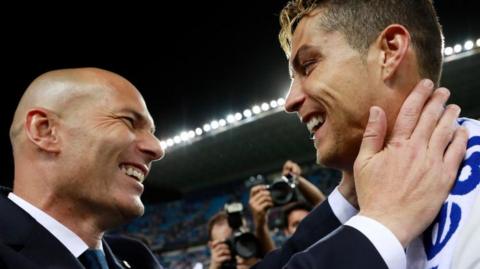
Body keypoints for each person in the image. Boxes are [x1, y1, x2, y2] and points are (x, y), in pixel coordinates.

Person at [255, 0, 477, 268]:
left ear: (390, 51)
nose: (289, 101)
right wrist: (374, 217)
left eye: (309, 65)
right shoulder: (370, 208)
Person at [0, 68, 164, 268]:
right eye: (128, 121)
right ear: (44, 131)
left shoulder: (139, 260)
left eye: (152, 132)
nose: (157, 149)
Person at [249, 160, 321, 254]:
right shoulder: (287, 262)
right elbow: (271, 258)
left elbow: (322, 205)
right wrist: (260, 225)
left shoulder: (329, 247)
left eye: (307, 221)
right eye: (296, 224)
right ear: (286, 231)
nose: (302, 227)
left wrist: (297, 179)